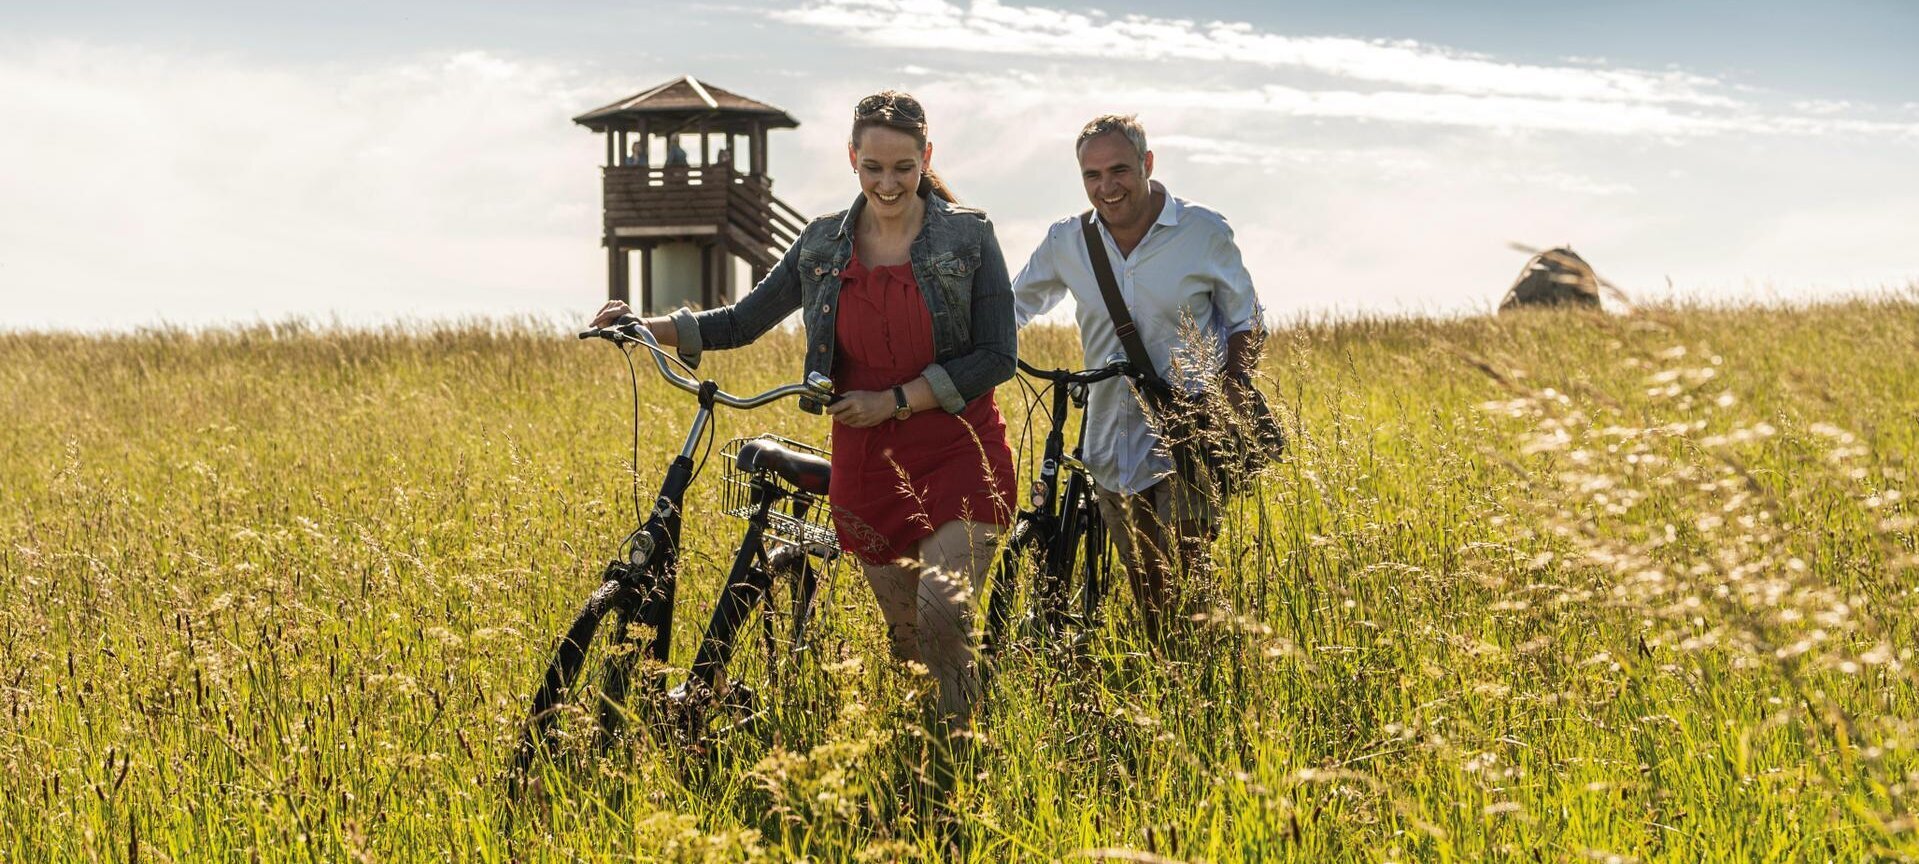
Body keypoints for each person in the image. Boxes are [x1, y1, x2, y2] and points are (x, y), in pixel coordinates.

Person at [590, 91, 1017, 726]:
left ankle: (966, 768)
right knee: (908, 647)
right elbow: (740, 321)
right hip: (868, 466)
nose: (888, 183)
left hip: (960, 453)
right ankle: (929, 763)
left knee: (941, 620)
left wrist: (897, 400)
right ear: (852, 158)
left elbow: (996, 357)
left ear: (927, 158)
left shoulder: (969, 236)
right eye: (873, 167)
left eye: (903, 167)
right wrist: (644, 324)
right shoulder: (821, 245)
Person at [1010, 114, 1261, 640]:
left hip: (1187, 430)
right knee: (1145, 577)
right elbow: (1014, 306)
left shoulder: (1202, 232)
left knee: (1188, 570)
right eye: (1092, 175)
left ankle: (1202, 671)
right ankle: (1169, 668)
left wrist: (1232, 388)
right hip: (1108, 433)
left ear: (1147, 164)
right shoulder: (1067, 241)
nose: (1107, 187)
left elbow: (1247, 319)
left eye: (1119, 170)